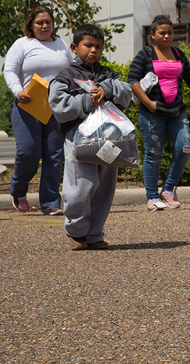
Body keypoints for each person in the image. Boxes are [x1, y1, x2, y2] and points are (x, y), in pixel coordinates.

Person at [48, 25, 133, 250]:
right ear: (74, 47)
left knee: (104, 187)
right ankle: (76, 231)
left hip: (109, 138)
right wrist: (88, 101)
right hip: (78, 138)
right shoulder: (65, 77)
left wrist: (108, 89)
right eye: (88, 45)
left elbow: (127, 93)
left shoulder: (109, 75)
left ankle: (94, 234)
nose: (94, 50)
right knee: (81, 186)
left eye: (98, 47)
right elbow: (59, 107)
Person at [127, 15, 190, 212]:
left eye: (170, 32)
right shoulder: (145, 54)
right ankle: (152, 197)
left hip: (177, 112)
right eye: (162, 33)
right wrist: (149, 103)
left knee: (184, 148)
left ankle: (168, 190)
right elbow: (132, 81)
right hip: (152, 113)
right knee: (153, 154)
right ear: (153, 35)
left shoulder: (178, 54)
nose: (167, 36)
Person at [3, 6, 77, 215]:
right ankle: (18, 190)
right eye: (39, 22)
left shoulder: (61, 44)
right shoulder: (22, 44)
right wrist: (18, 91)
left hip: (56, 108)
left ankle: (51, 202)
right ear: (31, 24)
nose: (44, 26)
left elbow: (74, 69)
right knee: (28, 153)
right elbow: (9, 70)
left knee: (54, 156)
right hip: (28, 106)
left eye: (48, 22)